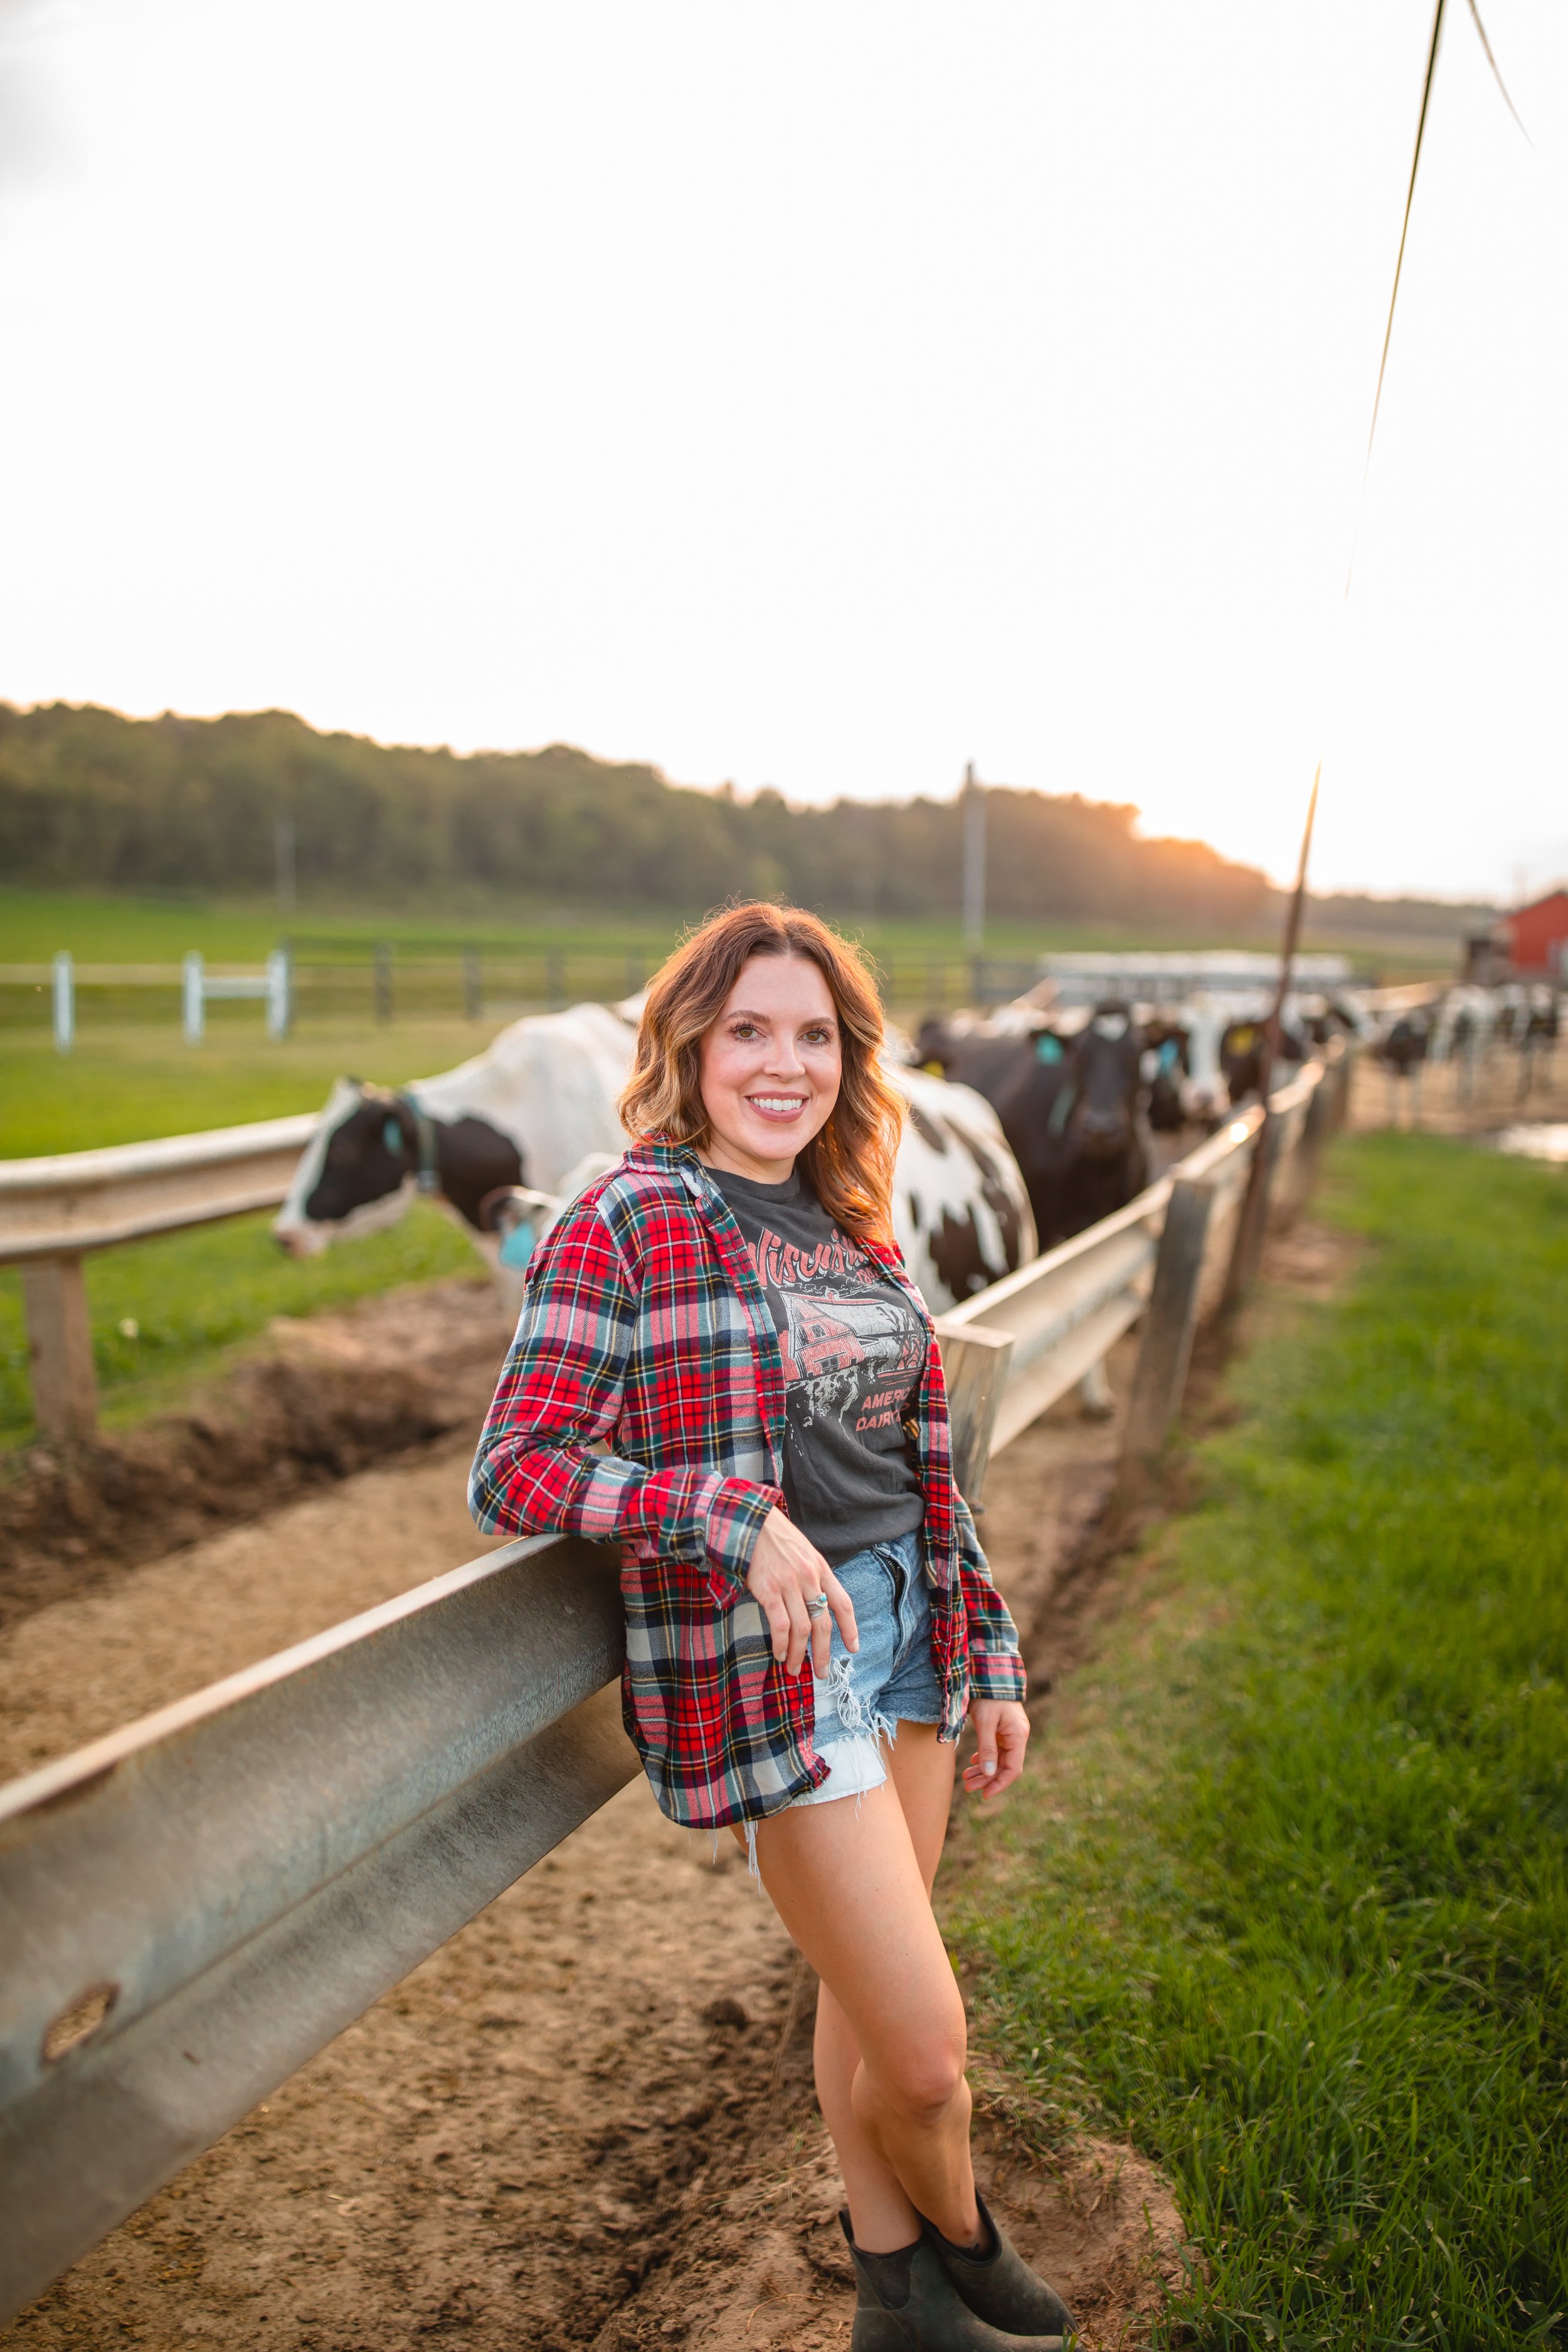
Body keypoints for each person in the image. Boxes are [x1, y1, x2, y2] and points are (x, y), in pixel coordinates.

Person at [470, 903, 1077, 2351]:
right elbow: (517, 1466)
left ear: (846, 1061)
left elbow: (925, 1476)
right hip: (777, 1669)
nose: (781, 1064)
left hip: (911, 1633)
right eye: (748, 1029)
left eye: (813, 1035)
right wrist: (722, 1517)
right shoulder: (623, 1217)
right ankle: (969, 2241)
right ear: (686, 1043)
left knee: (865, 2014)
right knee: (927, 2060)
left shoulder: (857, 1229)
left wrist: (984, 1647)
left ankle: (893, 2308)